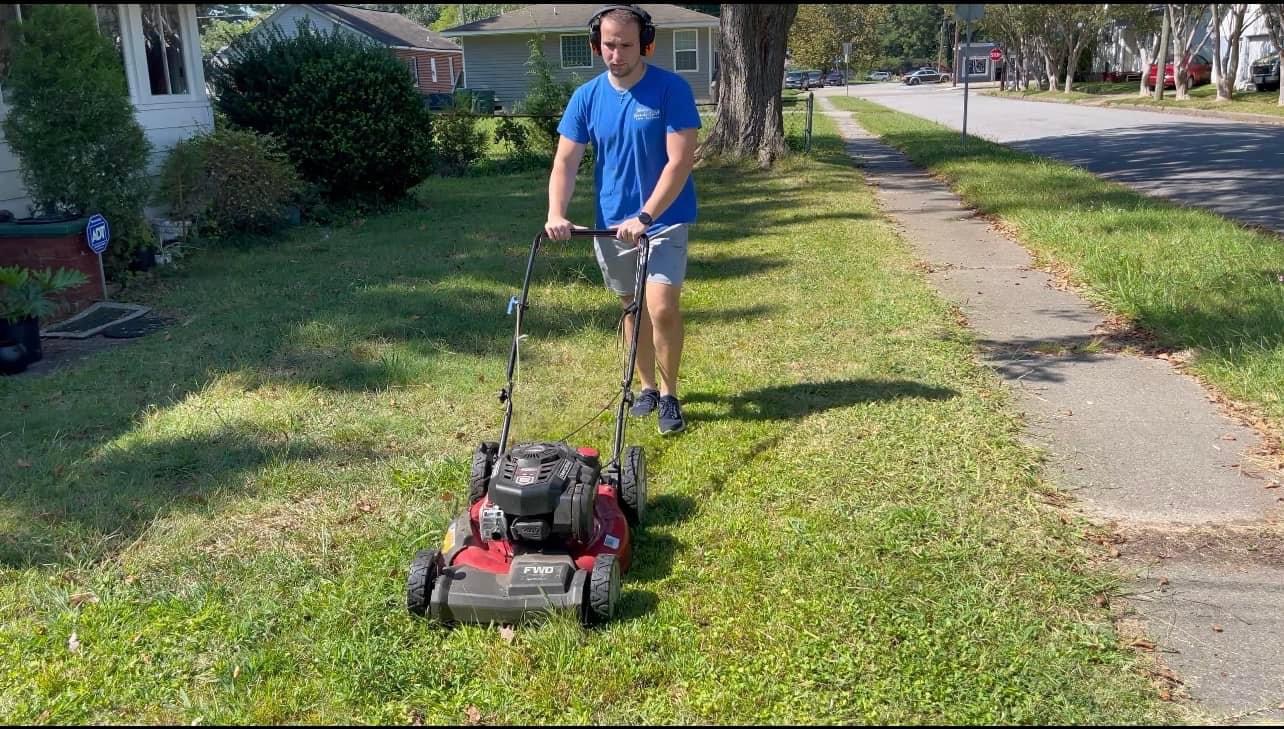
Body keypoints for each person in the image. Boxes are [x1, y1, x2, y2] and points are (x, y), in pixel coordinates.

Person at [544, 4, 701, 436]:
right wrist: (557, 212)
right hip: (612, 223)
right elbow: (565, 163)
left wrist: (647, 213)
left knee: (662, 306)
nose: (616, 54)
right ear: (598, 45)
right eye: (608, 45)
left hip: (663, 218)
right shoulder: (587, 97)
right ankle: (647, 387)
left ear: (645, 44)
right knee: (631, 307)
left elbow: (680, 161)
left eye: (626, 45)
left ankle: (670, 395)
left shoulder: (671, 90)